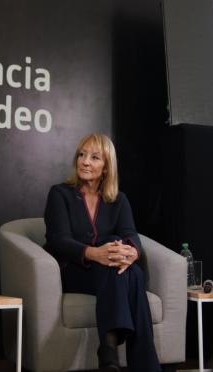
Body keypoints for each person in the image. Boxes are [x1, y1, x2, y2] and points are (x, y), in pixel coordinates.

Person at [44, 133, 160, 372]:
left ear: (106, 167)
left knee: (126, 264)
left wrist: (131, 253)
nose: (85, 161)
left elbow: (132, 235)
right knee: (131, 274)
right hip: (75, 271)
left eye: (94, 157)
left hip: (106, 271)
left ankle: (109, 355)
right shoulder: (60, 193)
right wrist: (94, 253)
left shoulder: (118, 200)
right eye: (82, 155)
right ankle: (143, 365)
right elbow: (57, 240)